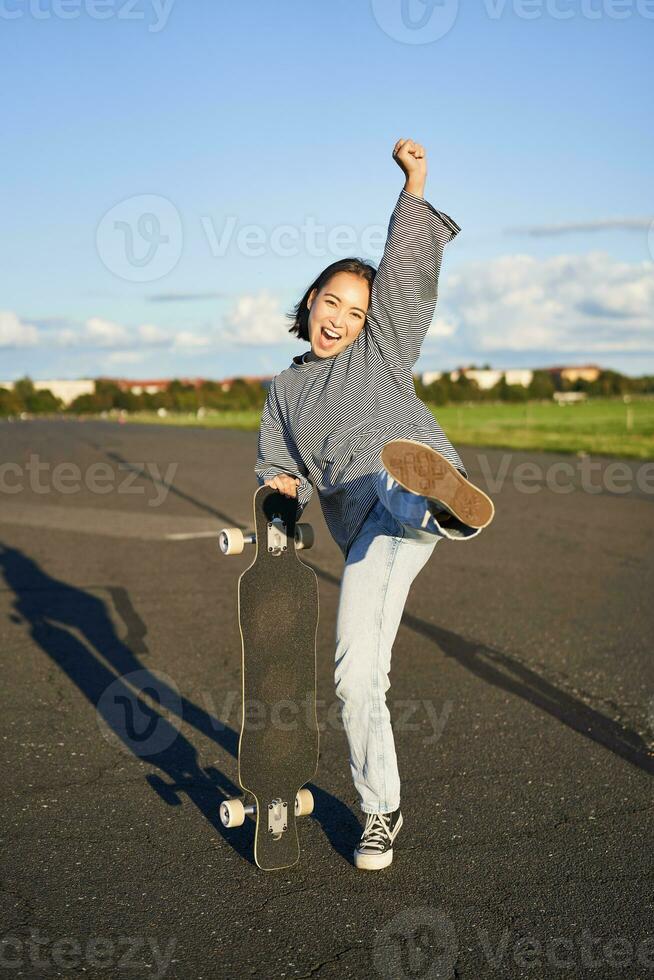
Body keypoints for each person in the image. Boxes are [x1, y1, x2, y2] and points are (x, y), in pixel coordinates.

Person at [255, 138, 494, 871]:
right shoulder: (284, 392)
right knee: (355, 674)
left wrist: (415, 185)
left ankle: (439, 502)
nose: (340, 319)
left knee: (396, 484)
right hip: (363, 537)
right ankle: (380, 809)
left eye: (356, 312)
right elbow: (275, 467)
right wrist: (281, 495)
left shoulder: (380, 353)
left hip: (401, 502)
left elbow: (404, 279)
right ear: (310, 303)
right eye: (332, 302)